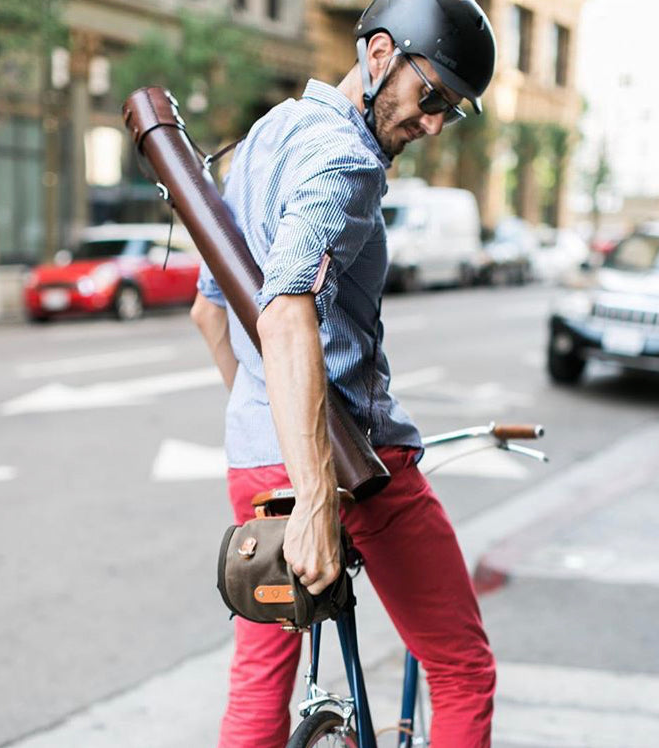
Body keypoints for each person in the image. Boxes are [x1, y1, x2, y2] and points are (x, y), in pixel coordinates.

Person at [191, 1, 497, 745]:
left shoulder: (268, 134)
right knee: (460, 670)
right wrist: (317, 503)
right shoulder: (345, 162)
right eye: (430, 96)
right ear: (379, 52)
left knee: (260, 681)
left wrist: (270, 425)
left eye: (448, 114)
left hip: (255, 458)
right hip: (355, 465)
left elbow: (210, 311)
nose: (431, 124)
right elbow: (287, 307)